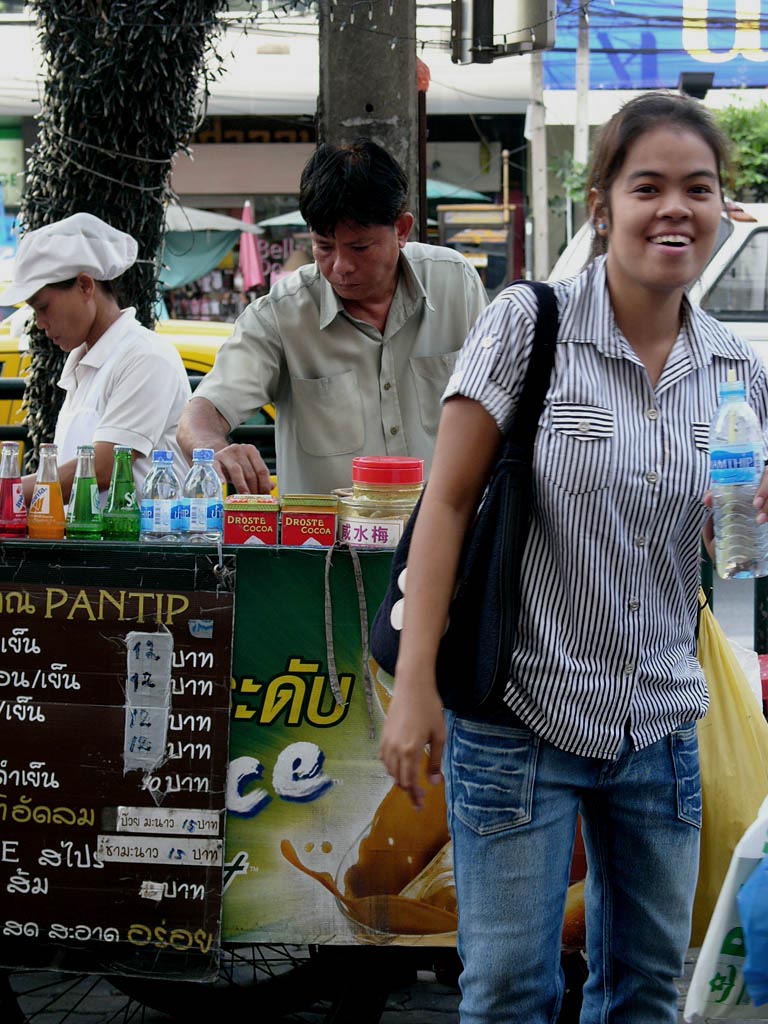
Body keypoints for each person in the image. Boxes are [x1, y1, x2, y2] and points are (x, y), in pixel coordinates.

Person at [379, 91, 768, 1024]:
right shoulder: (530, 325)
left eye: (698, 189)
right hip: (521, 720)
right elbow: (449, 503)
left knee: (641, 989)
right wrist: (415, 685)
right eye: (649, 187)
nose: (674, 208)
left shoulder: (735, 372)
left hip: (660, 728)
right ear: (603, 204)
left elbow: (729, 545)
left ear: (724, 211)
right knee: (510, 988)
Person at [177, 139, 488, 495]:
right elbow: (198, 415)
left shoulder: (455, 283)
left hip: (450, 540)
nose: (340, 266)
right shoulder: (280, 315)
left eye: (359, 247)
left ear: (401, 230)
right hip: (328, 548)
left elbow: (502, 402)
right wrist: (215, 450)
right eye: (323, 247)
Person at [3, 212, 191, 503]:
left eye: (43, 307)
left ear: (85, 286)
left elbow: (104, 468)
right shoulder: (84, 362)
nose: (40, 322)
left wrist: (9, 492)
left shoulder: (146, 357)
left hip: (142, 545)